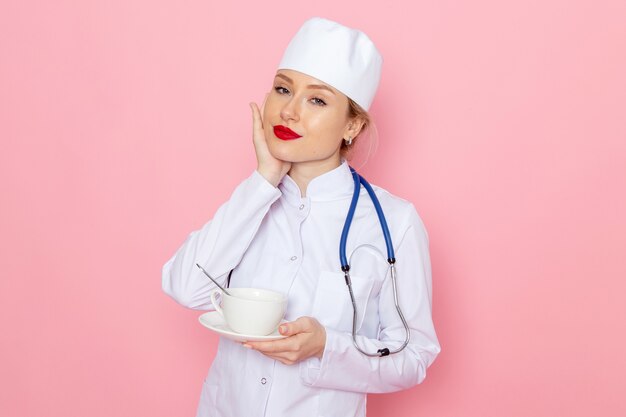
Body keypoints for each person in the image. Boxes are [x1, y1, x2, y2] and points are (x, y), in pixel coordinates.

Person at [162, 16, 440, 417]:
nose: (289, 111)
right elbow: (185, 286)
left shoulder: (393, 222)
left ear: (352, 124)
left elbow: (414, 355)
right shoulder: (253, 203)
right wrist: (263, 181)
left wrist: (328, 347)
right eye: (282, 89)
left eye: (317, 100)